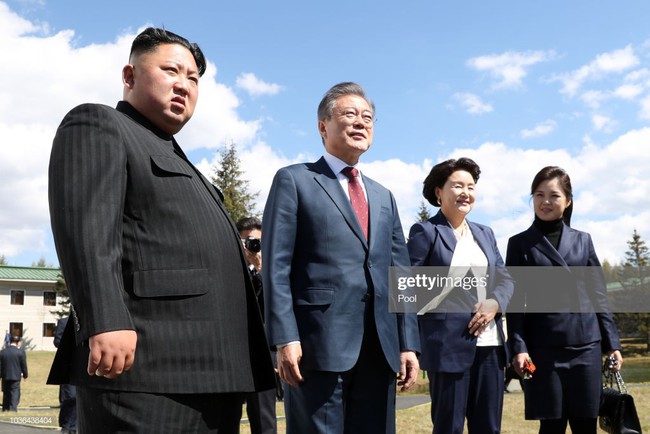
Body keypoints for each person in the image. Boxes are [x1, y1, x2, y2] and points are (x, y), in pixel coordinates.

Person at [47, 27, 275, 433]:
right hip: (145, 370)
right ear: (130, 76)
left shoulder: (186, 165)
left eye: (193, 78)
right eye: (171, 70)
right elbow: (85, 232)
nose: (184, 85)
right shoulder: (100, 124)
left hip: (213, 378)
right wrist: (104, 317)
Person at [262, 82, 420, 434]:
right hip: (317, 348)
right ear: (323, 126)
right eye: (350, 114)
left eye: (368, 117)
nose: (361, 123)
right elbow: (277, 267)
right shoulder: (295, 180)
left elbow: (401, 275)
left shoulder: (383, 196)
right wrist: (285, 338)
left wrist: (408, 343)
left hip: (380, 350)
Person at [506, 166, 623, 434]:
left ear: (567, 200)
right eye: (539, 194)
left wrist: (612, 344)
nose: (545, 201)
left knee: (586, 426)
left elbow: (598, 296)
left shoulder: (583, 241)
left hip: (585, 348)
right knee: (551, 427)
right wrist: (518, 347)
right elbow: (514, 303)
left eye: (554, 195)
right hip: (542, 350)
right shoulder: (519, 244)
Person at [407, 158, 513, 434]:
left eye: (471, 186)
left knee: (489, 427)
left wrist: (496, 302)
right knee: (449, 427)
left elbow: (504, 278)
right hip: (447, 346)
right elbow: (406, 286)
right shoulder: (425, 232)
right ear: (439, 192)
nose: (466, 192)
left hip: (490, 345)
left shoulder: (485, 233)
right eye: (457, 186)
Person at [236, 217, 278, 434]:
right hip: (232, 355)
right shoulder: (228, 268)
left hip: (261, 355)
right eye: (245, 242)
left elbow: (274, 303)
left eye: (256, 242)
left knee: (264, 420)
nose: (251, 247)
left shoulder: (270, 272)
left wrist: (260, 269)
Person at [54, 317, 76, 434]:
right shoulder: (64, 322)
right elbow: (57, 341)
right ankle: (65, 424)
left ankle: (74, 426)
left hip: (84, 365)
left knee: (79, 398)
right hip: (68, 364)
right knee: (69, 396)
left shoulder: (88, 320)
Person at [0, 335, 28, 411]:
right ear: (17, 342)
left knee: (6, 392)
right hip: (16, 376)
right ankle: (13, 408)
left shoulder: (2, 352)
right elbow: (23, 365)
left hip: (5, 376)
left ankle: (5, 408)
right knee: (14, 392)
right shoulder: (20, 352)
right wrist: (25, 375)